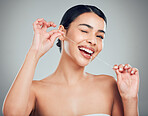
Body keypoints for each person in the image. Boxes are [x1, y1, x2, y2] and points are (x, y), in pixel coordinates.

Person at [2, 4, 139, 116]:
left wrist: (130, 99)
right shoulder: (35, 91)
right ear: (62, 32)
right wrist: (35, 52)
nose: (93, 41)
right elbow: (12, 114)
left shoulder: (109, 86)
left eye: (100, 36)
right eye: (84, 31)